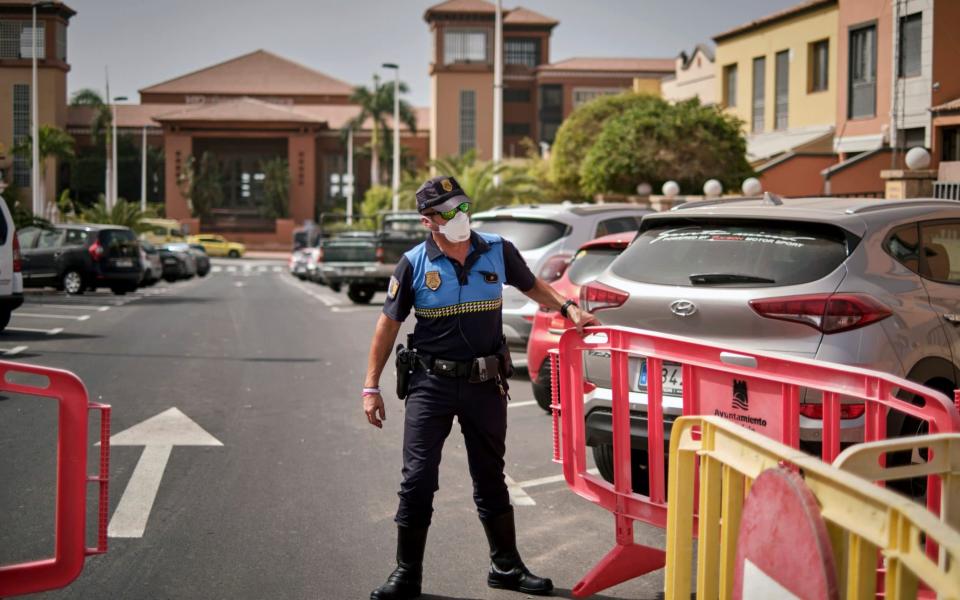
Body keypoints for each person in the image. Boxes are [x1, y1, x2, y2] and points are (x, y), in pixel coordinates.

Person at [362, 176, 597, 599]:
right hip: (430, 384)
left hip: (486, 384)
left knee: (490, 475)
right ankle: (406, 574)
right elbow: (388, 323)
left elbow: (532, 285)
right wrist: (370, 386)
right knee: (417, 479)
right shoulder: (414, 263)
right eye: (449, 212)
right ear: (427, 221)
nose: (460, 217)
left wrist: (568, 308)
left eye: (463, 206)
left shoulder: (497, 249)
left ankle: (505, 567)